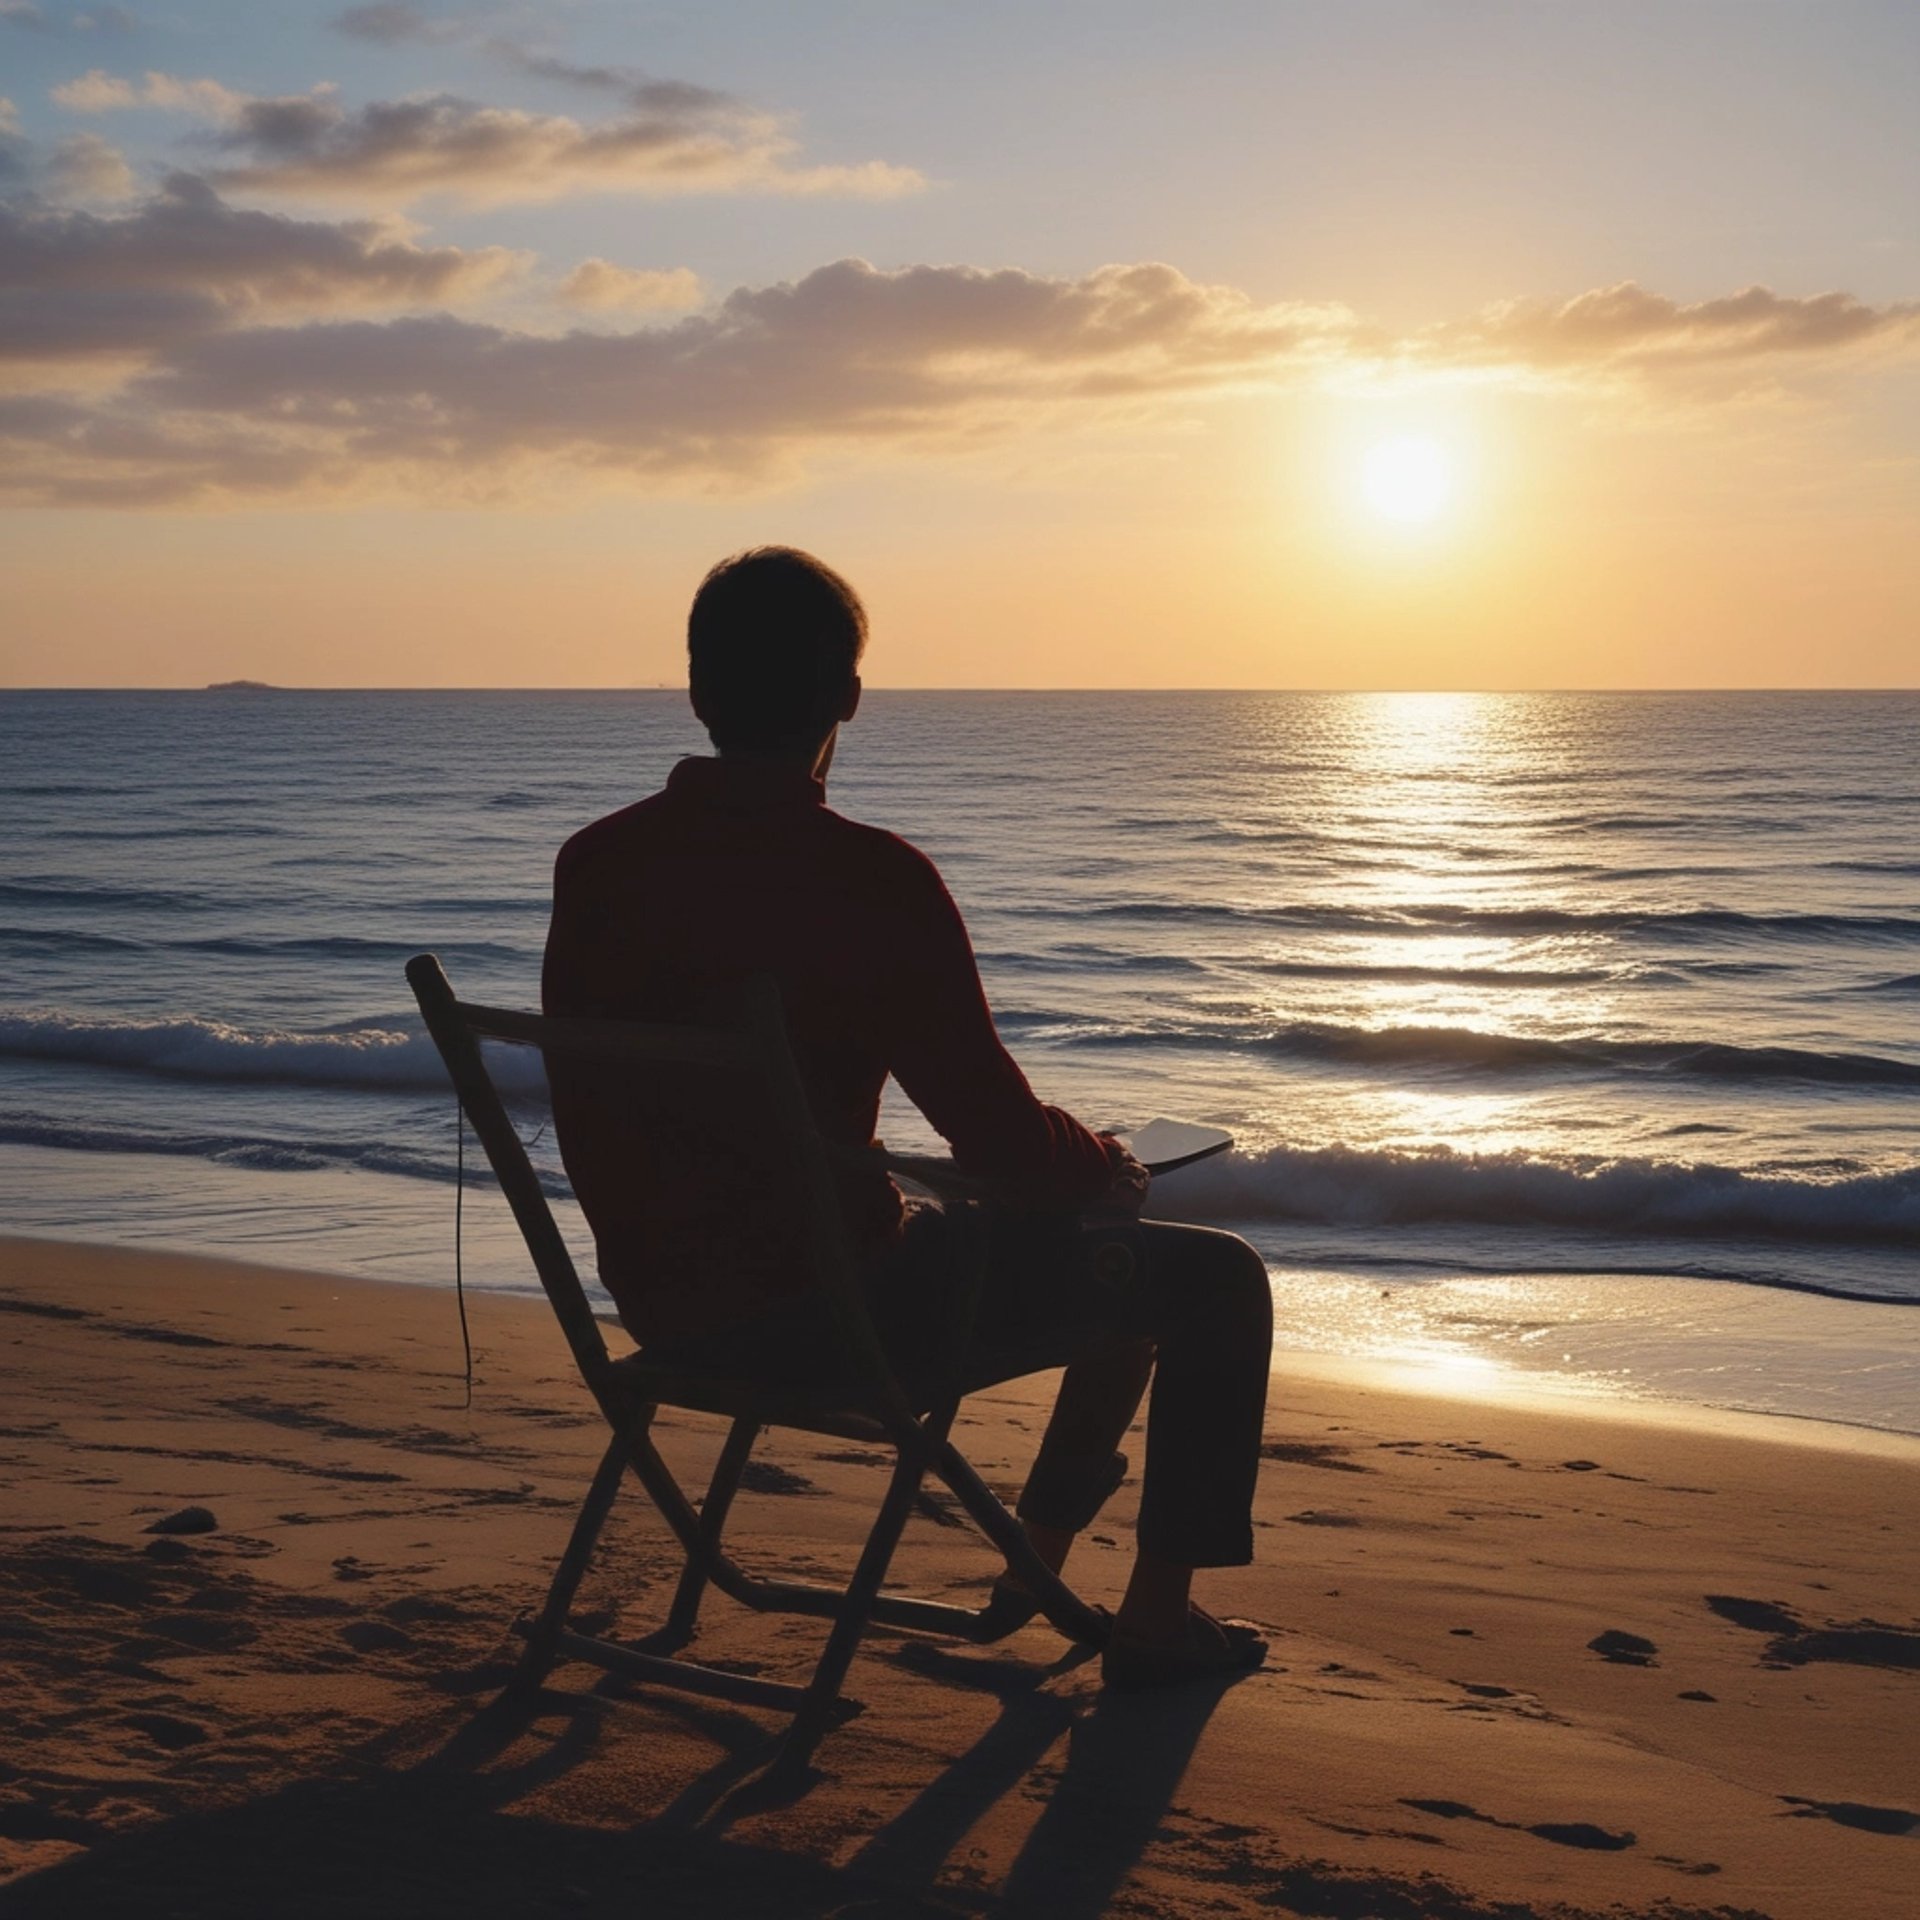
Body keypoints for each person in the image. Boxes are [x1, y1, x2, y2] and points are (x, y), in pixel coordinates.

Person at [542, 546, 1272, 1688]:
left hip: (663, 1311)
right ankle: (1145, 1614)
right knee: (1210, 1277)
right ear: (847, 700)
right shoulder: (869, 882)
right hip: (834, 1322)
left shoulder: (596, 867)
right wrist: (1107, 1169)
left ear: (697, 691)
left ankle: (1036, 1565)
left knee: (1101, 1241)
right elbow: (1001, 1149)